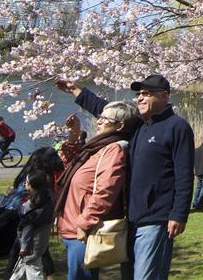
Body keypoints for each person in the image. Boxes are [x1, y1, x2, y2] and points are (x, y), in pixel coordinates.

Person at [57, 74, 195, 280]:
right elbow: (107, 111)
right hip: (130, 219)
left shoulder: (177, 127)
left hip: (156, 219)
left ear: (164, 96)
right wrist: (76, 91)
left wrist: (179, 214)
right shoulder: (139, 125)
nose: (140, 98)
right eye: (138, 94)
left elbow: (184, 174)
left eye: (146, 94)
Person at [55, 104, 136, 280]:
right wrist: (75, 133)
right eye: (100, 117)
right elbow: (69, 165)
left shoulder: (113, 149)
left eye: (105, 119)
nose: (99, 121)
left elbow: (106, 191)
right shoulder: (97, 147)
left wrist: (84, 223)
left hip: (84, 231)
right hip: (72, 226)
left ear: (120, 125)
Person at [8, 170, 54, 280]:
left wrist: (24, 246)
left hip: (32, 243)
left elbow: (28, 226)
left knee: (33, 268)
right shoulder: (48, 199)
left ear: (33, 185)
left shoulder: (31, 206)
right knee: (23, 264)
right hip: (42, 239)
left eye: (27, 182)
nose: (25, 184)